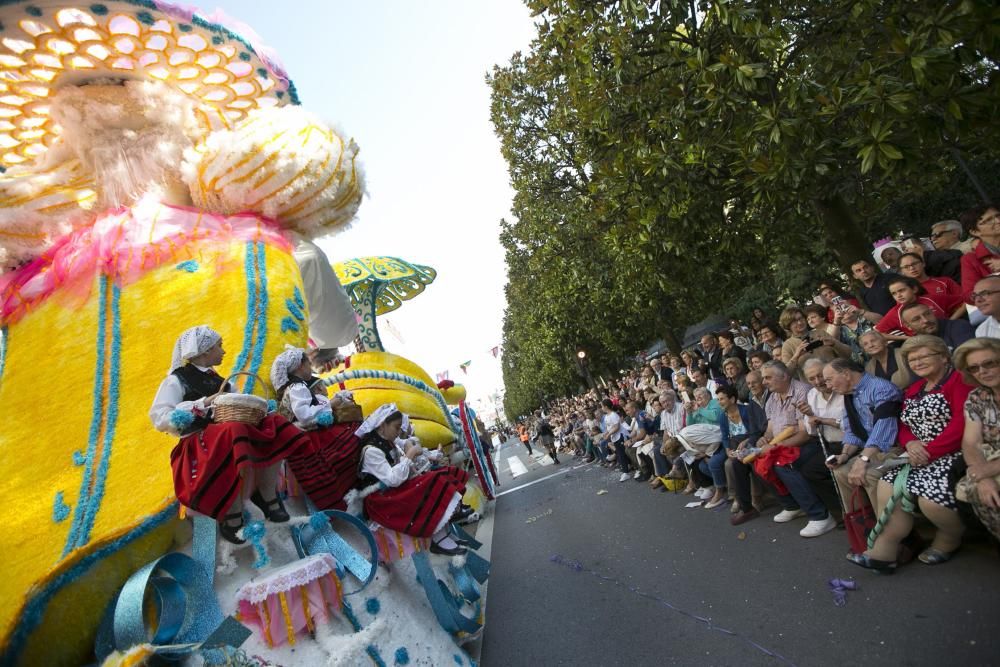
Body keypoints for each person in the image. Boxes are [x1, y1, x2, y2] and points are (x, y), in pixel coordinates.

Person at [150, 326, 311, 544]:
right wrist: (201, 404)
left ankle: (266, 493)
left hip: (226, 433)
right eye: (219, 346)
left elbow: (242, 401)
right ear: (205, 351)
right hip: (197, 442)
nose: (223, 351)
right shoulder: (177, 380)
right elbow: (160, 416)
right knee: (231, 430)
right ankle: (231, 511)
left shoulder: (222, 381)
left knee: (274, 422)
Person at [847, 336, 972, 571]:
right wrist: (911, 443)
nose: (917, 362)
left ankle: (950, 538)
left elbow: (961, 423)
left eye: (923, 356)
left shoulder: (959, 381)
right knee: (886, 484)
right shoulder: (915, 388)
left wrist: (929, 451)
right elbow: (903, 424)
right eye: (912, 359)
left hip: (953, 452)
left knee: (929, 500)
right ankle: (884, 550)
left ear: (944, 357)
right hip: (917, 453)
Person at [355, 405, 471, 556]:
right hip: (380, 500)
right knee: (432, 482)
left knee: (441, 475)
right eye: (397, 428)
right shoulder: (371, 451)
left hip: (390, 491)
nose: (399, 432)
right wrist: (409, 455)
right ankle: (439, 539)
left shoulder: (389, 441)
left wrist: (421, 454)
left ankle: (445, 534)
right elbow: (393, 479)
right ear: (383, 425)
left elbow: (409, 457)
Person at [271, 347, 363, 510]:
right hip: (308, 436)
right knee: (350, 440)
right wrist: (330, 403)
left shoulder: (296, 386)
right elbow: (304, 415)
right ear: (300, 366)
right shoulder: (297, 387)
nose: (311, 367)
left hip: (307, 433)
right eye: (308, 364)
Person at [823, 358, 904, 510]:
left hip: (893, 448)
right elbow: (852, 431)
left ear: (846, 374)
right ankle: (862, 523)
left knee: (867, 475)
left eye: (829, 379)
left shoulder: (881, 388)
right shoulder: (850, 394)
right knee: (840, 472)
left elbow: (883, 428)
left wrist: (862, 460)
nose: (828, 385)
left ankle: (886, 526)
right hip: (871, 449)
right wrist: (845, 455)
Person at [953, 338, 1000, 541]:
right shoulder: (977, 396)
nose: (982, 371)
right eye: (974, 368)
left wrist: (987, 470)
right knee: (974, 488)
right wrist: (983, 477)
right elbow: (970, 443)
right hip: (990, 462)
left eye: (989, 363)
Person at [715, 385, 765, 510]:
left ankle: (756, 497)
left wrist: (747, 440)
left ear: (732, 399)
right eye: (718, 399)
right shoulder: (723, 416)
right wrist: (727, 450)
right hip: (736, 447)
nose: (719, 402)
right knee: (729, 464)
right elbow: (725, 437)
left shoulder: (746, 410)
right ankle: (737, 497)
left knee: (749, 462)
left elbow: (758, 430)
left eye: (722, 399)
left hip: (752, 444)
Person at [875, 275, 964, 340]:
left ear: (914, 289)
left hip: (950, 334)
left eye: (901, 290)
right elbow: (877, 334)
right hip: (925, 343)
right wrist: (907, 338)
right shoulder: (895, 313)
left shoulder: (932, 298)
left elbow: (965, 301)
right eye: (894, 293)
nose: (898, 295)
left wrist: (951, 321)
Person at [959, 203, 1000, 303]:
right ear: (975, 232)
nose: (998, 221)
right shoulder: (970, 260)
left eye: (998, 216)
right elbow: (969, 295)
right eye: (989, 220)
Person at [899, 301, 974, 351]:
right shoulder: (914, 344)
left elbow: (966, 357)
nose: (925, 320)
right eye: (916, 319)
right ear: (908, 326)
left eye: (927, 314)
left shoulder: (958, 326)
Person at [898, 252, 962, 299]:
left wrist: (953, 317)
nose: (912, 268)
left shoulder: (945, 281)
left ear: (923, 264)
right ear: (902, 272)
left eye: (914, 263)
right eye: (906, 267)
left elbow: (965, 299)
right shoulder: (903, 292)